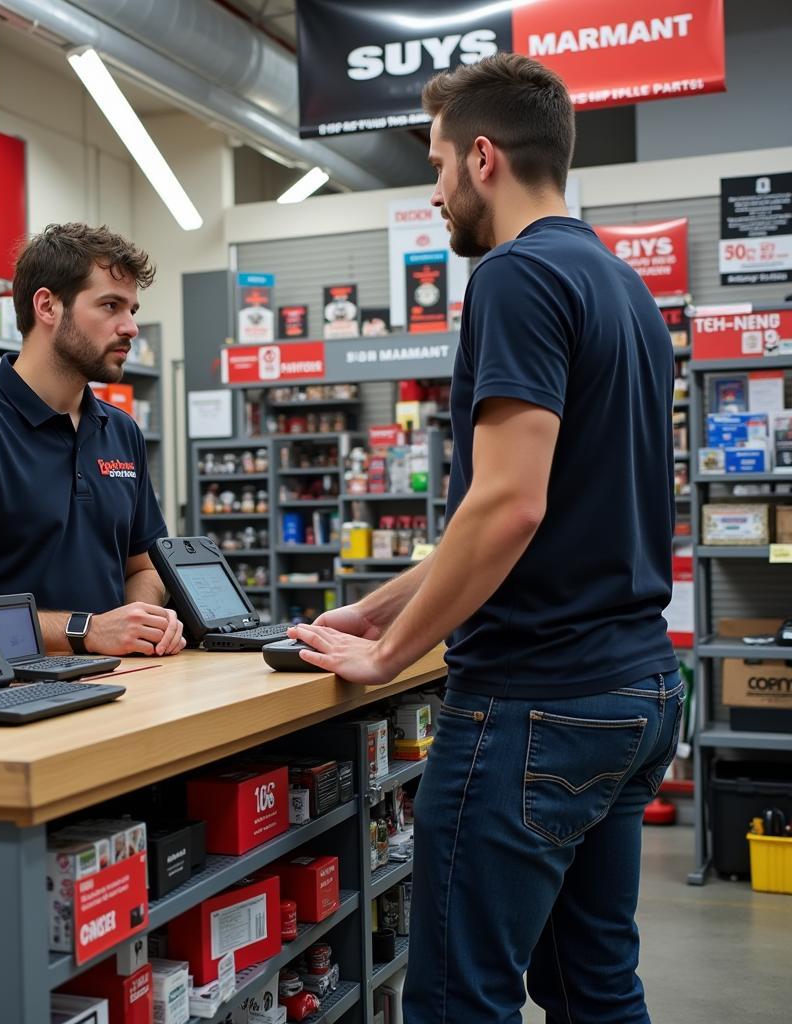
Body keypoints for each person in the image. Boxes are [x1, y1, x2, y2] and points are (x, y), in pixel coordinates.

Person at [292, 54, 681, 1022]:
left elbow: (507, 507)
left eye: (433, 165)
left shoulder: (515, 276)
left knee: (458, 999)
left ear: (481, 156)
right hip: (631, 688)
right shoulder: (620, 287)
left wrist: (389, 653)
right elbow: (537, 517)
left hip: (532, 704)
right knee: (594, 987)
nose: (432, 193)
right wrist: (372, 606)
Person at [0, 223, 184, 658]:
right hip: (8, 696)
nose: (130, 328)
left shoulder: (121, 431)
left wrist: (140, 621)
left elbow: (144, 566)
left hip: (122, 684)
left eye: (132, 310)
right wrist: (85, 631)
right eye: (110, 305)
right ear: (47, 306)